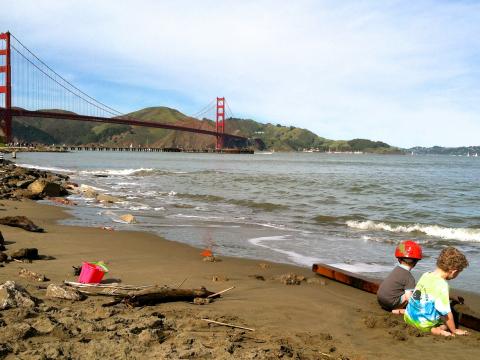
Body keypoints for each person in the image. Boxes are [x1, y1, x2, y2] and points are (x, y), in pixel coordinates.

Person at [404, 246, 469, 336]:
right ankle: (435, 330)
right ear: (453, 272)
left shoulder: (426, 275)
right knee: (445, 324)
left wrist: (451, 297)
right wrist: (454, 330)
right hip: (423, 324)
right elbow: (446, 313)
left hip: (408, 317)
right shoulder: (443, 285)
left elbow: (429, 292)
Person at [377, 240, 422, 313]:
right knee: (413, 294)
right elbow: (408, 297)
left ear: (398, 259)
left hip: (380, 300)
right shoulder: (409, 277)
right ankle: (401, 310)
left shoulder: (396, 269)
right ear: (416, 262)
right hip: (391, 303)